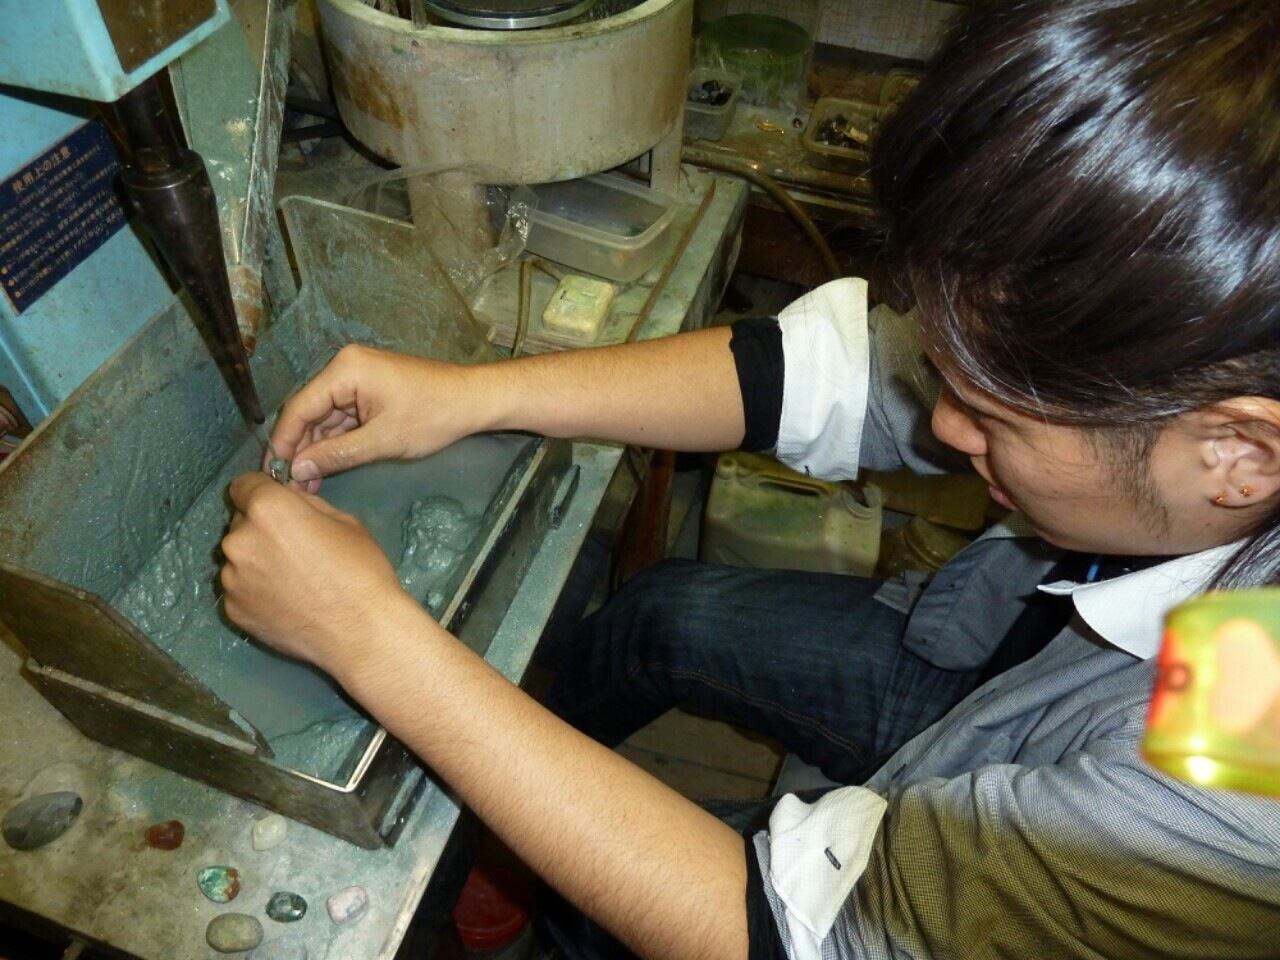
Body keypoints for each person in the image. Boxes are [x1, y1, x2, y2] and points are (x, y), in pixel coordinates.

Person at [218, 0, 1280, 956]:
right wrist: (474, 394)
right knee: (658, 617)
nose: (940, 426)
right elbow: (826, 378)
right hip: (999, 655)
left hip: (996, 820)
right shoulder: (1191, 384)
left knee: (601, 912)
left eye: (992, 416)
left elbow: (790, 937)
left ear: (1239, 454)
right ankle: (513, 817)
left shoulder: (1238, 768)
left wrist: (372, 639)